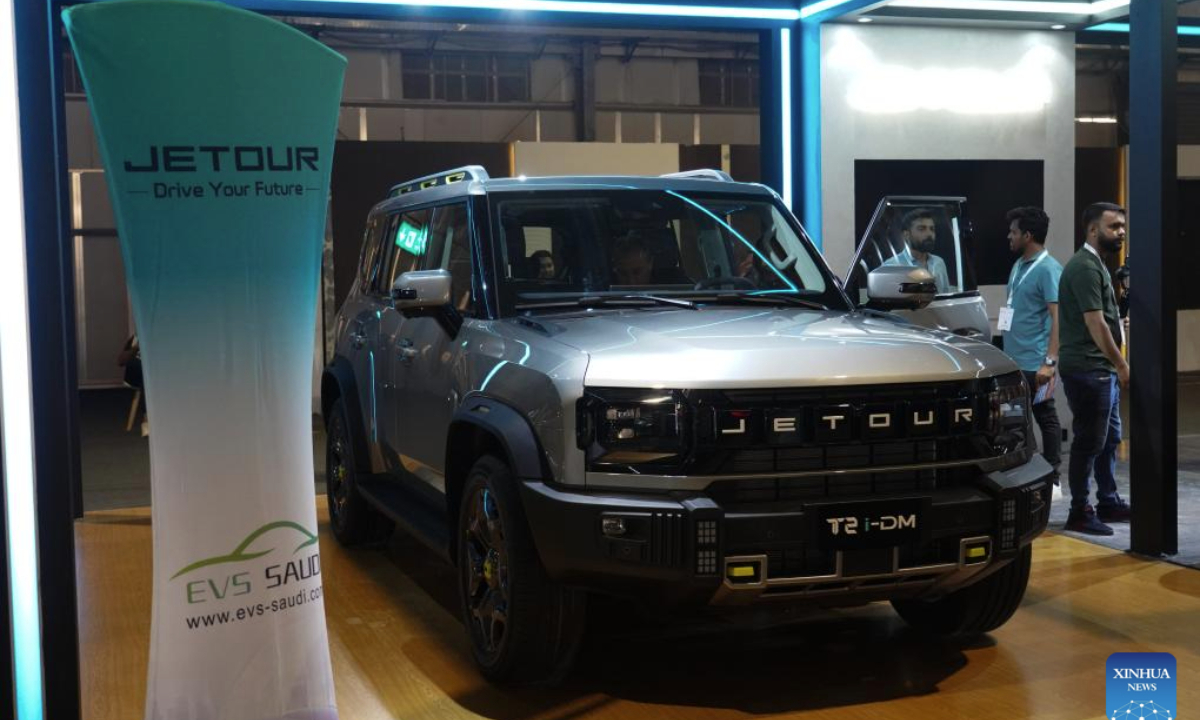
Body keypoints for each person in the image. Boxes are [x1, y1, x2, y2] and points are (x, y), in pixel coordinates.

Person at [1057, 201, 1130, 536]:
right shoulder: (1085, 267)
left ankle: (1108, 500)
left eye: (1122, 227)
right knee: (1090, 440)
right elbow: (1095, 323)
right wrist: (1120, 362)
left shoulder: (1096, 264)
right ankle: (1080, 510)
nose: (1121, 232)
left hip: (1099, 369)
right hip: (1090, 369)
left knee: (1109, 437)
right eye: (1114, 226)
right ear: (1091, 229)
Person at [1001, 206, 1063, 486]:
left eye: (1013, 232)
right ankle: (1028, 472)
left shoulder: (1049, 269)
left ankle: (1053, 475)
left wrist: (1050, 362)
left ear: (1027, 235)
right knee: (1016, 421)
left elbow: (1058, 317)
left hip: (1037, 365)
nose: (1009, 236)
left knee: (1045, 416)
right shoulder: (1018, 265)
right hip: (1014, 363)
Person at [884, 208, 950, 293]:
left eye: (932, 229)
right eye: (922, 229)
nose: (929, 234)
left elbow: (946, 298)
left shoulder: (939, 263)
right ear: (906, 235)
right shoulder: (891, 266)